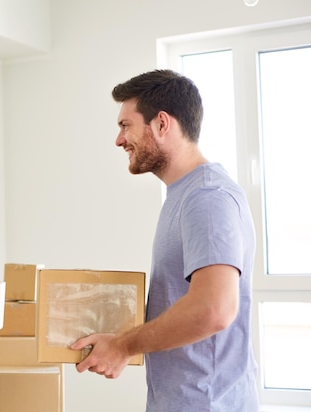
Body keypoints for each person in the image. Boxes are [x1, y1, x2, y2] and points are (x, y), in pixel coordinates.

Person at [71, 70, 259, 411]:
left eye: (126, 125)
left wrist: (123, 347)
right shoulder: (184, 195)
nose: (118, 139)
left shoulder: (207, 197)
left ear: (161, 124)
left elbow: (214, 308)